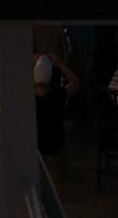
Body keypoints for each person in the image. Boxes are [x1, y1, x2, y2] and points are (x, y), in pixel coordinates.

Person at [34, 52, 79, 185]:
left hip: (37, 151)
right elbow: (75, 83)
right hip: (55, 148)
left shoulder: (29, 98)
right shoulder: (58, 95)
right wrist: (60, 64)